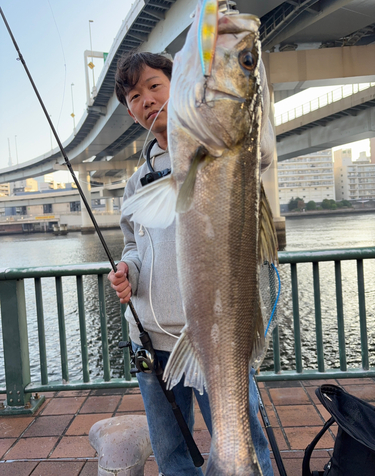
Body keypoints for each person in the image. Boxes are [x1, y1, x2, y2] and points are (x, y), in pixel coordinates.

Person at [108, 51, 274, 476]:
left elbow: (263, 148)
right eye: (133, 96)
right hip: (148, 340)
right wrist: (129, 273)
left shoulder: (217, 148)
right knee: (171, 450)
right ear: (129, 112)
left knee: (245, 438)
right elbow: (133, 245)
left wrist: (243, 72)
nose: (145, 99)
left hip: (211, 341)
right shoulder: (135, 182)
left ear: (180, 84)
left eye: (153, 86)